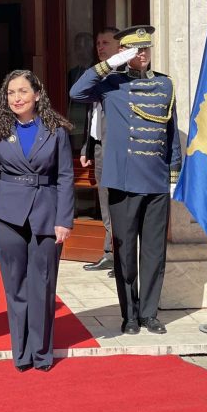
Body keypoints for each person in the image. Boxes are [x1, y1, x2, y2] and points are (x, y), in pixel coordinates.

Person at [69, 25, 181, 336]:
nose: (142, 54)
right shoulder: (111, 84)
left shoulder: (165, 85)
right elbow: (76, 92)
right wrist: (110, 64)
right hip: (124, 181)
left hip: (156, 180)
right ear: (124, 52)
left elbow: (171, 135)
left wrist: (174, 173)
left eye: (145, 48)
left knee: (154, 253)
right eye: (134, 49)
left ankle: (149, 313)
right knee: (125, 252)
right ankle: (129, 314)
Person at [0, 70, 73, 371]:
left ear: (37, 95)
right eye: (11, 93)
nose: (17, 98)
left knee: (43, 284)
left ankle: (42, 353)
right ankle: (21, 353)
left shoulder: (57, 130)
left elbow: (65, 177)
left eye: (23, 91)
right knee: (16, 286)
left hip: (47, 214)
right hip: (7, 215)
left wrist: (64, 219)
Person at [80, 27, 121, 275]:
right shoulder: (95, 76)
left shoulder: (123, 78)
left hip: (116, 149)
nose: (100, 47)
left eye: (106, 42)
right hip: (98, 146)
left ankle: (122, 256)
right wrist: (88, 145)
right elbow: (92, 114)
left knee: (118, 205)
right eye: (98, 42)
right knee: (105, 202)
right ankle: (109, 253)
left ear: (120, 48)